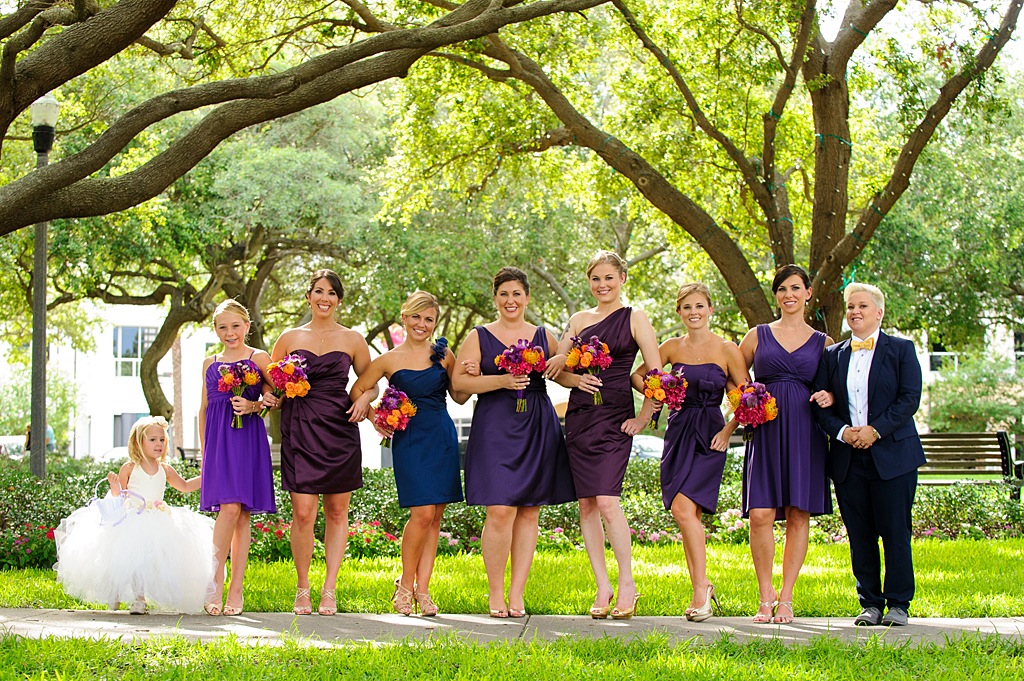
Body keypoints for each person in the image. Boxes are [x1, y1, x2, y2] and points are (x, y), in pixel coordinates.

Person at [453, 267, 576, 618]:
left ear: (527, 297)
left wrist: (576, 371)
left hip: (537, 422)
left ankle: (517, 593)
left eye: (517, 294)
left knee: (529, 509)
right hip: (495, 426)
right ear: (495, 298)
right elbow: (459, 386)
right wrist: (501, 381)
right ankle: (495, 593)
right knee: (500, 509)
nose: (511, 300)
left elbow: (561, 372)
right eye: (504, 294)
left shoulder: (544, 335)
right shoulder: (479, 336)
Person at [544, 250, 661, 620]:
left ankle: (627, 583)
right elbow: (556, 366)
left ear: (622, 279)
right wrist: (573, 375)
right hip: (579, 418)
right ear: (589, 282)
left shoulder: (635, 317)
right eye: (596, 279)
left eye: (609, 278)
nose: (602, 285)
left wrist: (644, 417)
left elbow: (657, 374)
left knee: (608, 501)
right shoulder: (578, 319)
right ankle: (602, 584)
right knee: (587, 505)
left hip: (615, 417)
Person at [630, 282, 748, 621]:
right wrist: (660, 395)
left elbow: (749, 396)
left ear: (710, 309)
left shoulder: (728, 350)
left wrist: (728, 431)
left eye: (699, 306)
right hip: (678, 432)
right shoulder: (669, 347)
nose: (693, 312)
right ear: (679, 313)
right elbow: (638, 376)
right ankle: (702, 588)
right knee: (686, 515)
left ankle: (700, 590)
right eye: (687, 307)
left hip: (711, 435)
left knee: (684, 509)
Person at [351, 290, 470, 617]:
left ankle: (424, 590)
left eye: (428, 319)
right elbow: (356, 390)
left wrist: (470, 372)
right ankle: (405, 585)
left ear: (435, 322)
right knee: (421, 514)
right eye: (416, 317)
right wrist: (372, 413)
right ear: (404, 317)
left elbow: (459, 396)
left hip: (442, 436)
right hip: (410, 439)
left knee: (435, 517)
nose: (422, 324)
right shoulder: (388, 359)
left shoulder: (444, 354)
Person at [812, 282, 924, 627]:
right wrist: (844, 432)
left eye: (862, 306)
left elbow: (909, 399)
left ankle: (899, 605)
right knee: (860, 535)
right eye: (850, 307)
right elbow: (820, 401)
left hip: (893, 456)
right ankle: (870, 604)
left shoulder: (902, 350)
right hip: (848, 458)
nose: (854, 312)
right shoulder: (833, 355)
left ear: (879, 312)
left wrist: (875, 431)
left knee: (895, 531)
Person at [268, 270, 375, 616]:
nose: (324, 297)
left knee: (337, 510)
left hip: (340, 428)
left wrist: (364, 400)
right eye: (318, 291)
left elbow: (370, 382)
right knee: (302, 513)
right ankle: (302, 587)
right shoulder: (288, 337)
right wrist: (270, 397)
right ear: (308, 296)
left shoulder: (354, 339)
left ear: (339, 300)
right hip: (299, 429)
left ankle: (329, 588)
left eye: (331, 292)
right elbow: (273, 384)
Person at [738, 264, 835, 624]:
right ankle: (765, 595)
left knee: (798, 513)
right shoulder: (756, 335)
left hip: (806, 431)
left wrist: (828, 395)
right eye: (782, 289)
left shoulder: (824, 343)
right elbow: (734, 375)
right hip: (764, 430)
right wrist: (743, 402)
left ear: (808, 293)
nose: (788, 294)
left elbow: (834, 390)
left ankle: (786, 598)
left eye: (796, 288)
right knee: (761, 514)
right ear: (775, 295)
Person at [53, 416, 214, 614]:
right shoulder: (129, 468)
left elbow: (186, 486)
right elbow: (118, 496)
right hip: (133, 518)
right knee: (128, 558)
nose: (159, 444)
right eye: (153, 440)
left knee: (150, 561)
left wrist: (209, 475)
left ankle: (140, 598)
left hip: (158, 518)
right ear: (139, 443)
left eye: (162, 440)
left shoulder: (165, 469)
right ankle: (120, 593)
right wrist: (114, 486)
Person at [198, 299, 278, 616]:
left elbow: (277, 397)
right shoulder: (209, 362)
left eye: (235, 326)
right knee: (230, 509)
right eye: (222, 327)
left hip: (247, 438)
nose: (229, 333)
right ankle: (215, 584)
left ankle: (234, 590)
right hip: (218, 442)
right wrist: (205, 453)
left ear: (246, 326)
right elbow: (203, 409)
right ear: (215, 330)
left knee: (240, 513)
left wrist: (255, 405)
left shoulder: (257, 357)